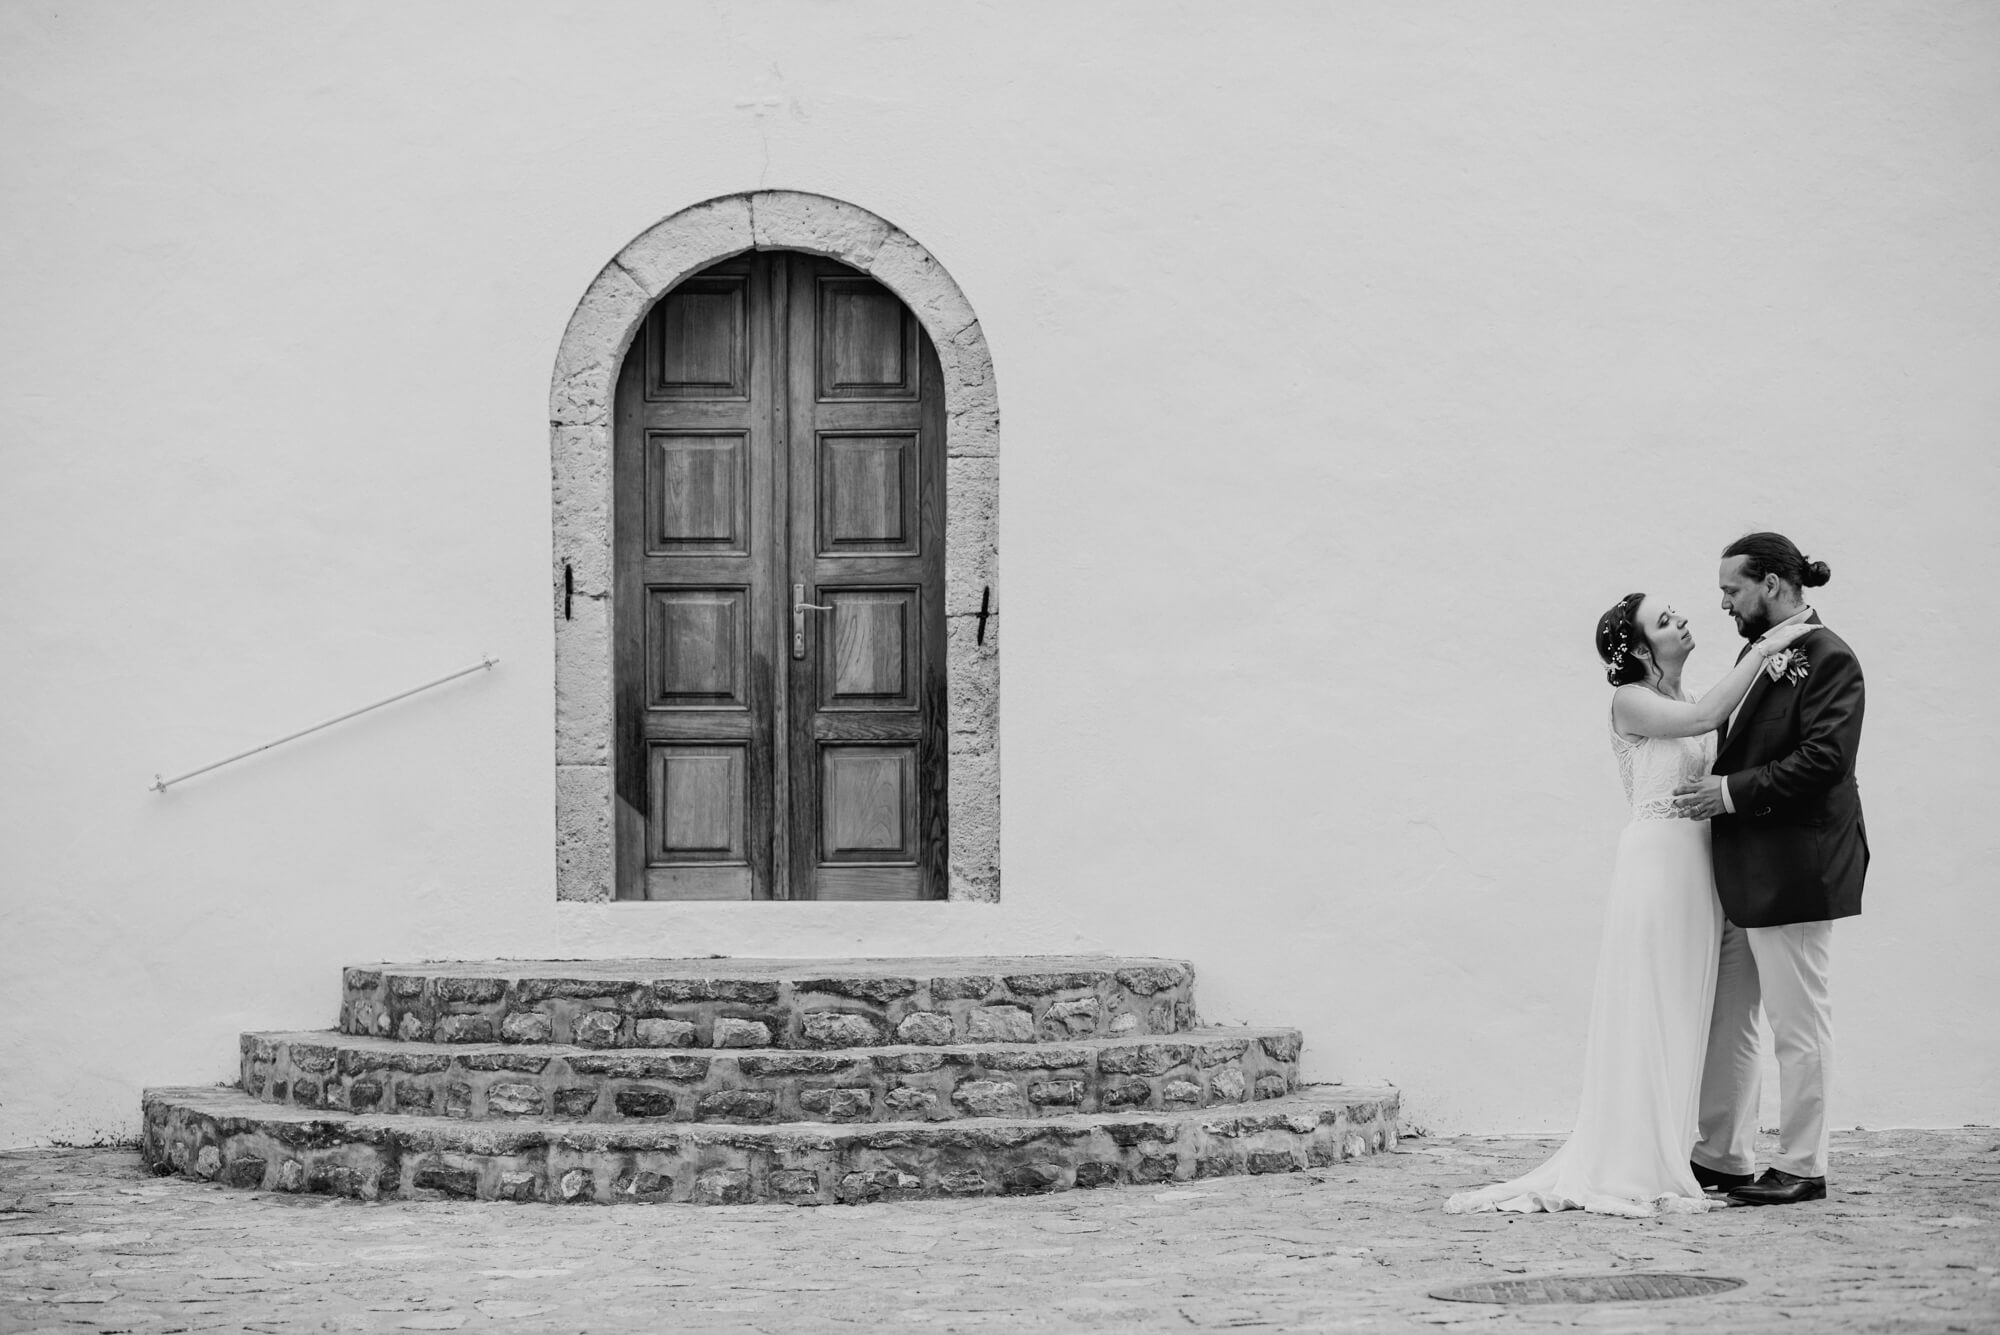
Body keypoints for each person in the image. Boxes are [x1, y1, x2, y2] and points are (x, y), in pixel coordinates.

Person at [1444, 592, 1815, 1216]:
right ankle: (1634, 1154)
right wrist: (1766, 649)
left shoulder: (1685, 694)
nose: (1682, 620)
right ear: (1641, 649)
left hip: (1705, 867)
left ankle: (1696, 1147)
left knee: (1697, 1012)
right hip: (1658, 867)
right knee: (1653, 1004)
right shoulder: (1630, 700)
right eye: (1665, 621)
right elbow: (1704, 718)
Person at [1671, 533, 1865, 1206]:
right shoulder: (1758, 654)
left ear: (1773, 584)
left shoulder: (1829, 656)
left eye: (1733, 589)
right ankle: (1722, 1155)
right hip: (1744, 872)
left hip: (1796, 869)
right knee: (1732, 1018)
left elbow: (1825, 760)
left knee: (1798, 1021)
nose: (1724, 603)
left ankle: (1805, 1164)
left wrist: (1727, 793)